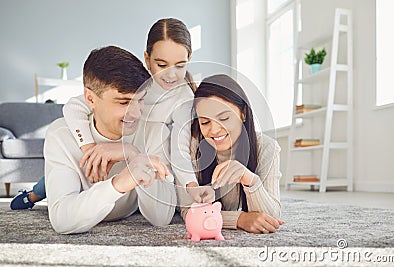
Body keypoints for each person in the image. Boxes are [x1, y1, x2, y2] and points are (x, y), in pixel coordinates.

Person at [10, 18, 213, 210]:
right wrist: (91, 148)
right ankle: (34, 195)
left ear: (189, 59)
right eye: (161, 65)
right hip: (110, 144)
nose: (170, 75)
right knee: (66, 175)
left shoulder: (184, 98)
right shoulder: (134, 82)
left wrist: (191, 185)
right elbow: (73, 107)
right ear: (147, 59)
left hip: (142, 153)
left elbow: (179, 150)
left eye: (180, 65)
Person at [44, 45, 177, 234]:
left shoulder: (155, 131)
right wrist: (120, 183)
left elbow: (161, 218)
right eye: (123, 102)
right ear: (90, 99)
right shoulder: (61, 135)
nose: (137, 113)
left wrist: (133, 155)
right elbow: (62, 220)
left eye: (140, 100)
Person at [179, 74, 284, 234]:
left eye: (224, 118)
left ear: (243, 113)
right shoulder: (192, 147)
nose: (214, 130)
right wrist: (239, 219)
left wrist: (249, 180)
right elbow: (188, 211)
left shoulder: (267, 147)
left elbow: (270, 217)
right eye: (205, 122)